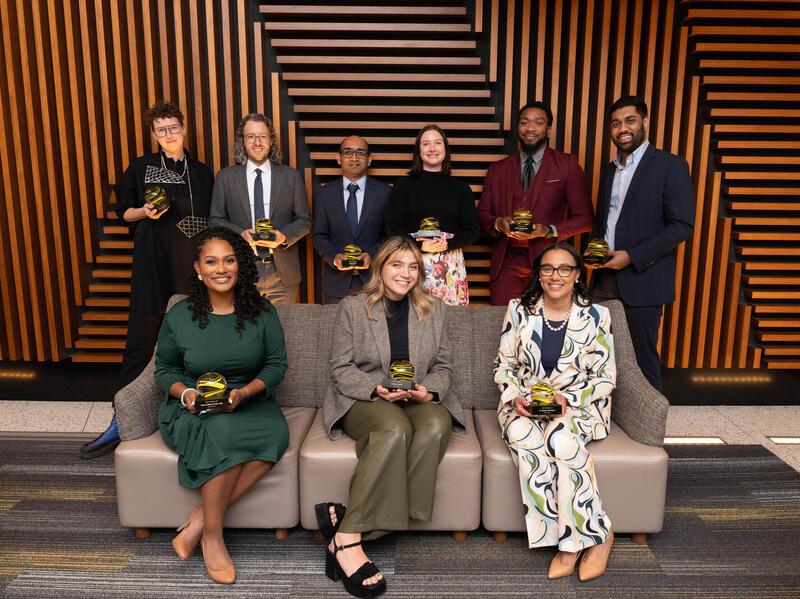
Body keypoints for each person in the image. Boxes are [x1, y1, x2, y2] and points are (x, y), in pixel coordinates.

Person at [318, 236, 465, 598]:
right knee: (395, 428)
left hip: (416, 396)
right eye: (397, 264)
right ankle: (348, 539)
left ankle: (352, 517)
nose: (406, 273)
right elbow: (340, 368)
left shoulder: (434, 308)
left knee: (436, 425)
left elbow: (444, 366)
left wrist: (428, 392)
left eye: (413, 266)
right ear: (380, 267)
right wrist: (377, 389)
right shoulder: (353, 307)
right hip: (365, 397)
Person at [154, 226, 289, 584]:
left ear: (240, 265)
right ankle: (213, 537)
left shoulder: (262, 311)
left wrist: (245, 393)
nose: (221, 269)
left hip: (248, 399)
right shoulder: (180, 315)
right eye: (211, 261)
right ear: (198, 268)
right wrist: (186, 394)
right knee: (223, 433)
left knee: (275, 436)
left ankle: (200, 519)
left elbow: (276, 365)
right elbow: (164, 369)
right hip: (192, 405)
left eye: (229, 260)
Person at [81, 101, 213, 459]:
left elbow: (212, 222)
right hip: (151, 269)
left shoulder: (201, 173)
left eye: (173, 127)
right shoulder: (140, 167)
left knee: (194, 347)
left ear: (184, 128)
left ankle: (196, 415)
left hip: (192, 272)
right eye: (161, 130)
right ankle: (120, 421)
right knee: (139, 347)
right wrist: (145, 211)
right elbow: (123, 213)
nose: (168, 134)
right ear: (153, 134)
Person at [494, 242, 616, 581]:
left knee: (561, 440)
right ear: (539, 274)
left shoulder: (597, 316)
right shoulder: (518, 309)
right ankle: (572, 534)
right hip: (525, 402)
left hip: (579, 404)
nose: (555, 276)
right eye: (547, 268)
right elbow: (504, 366)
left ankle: (581, 541)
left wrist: (569, 400)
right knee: (521, 434)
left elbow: (606, 378)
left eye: (565, 269)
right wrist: (514, 397)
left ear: (577, 275)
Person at [587, 95, 694, 390]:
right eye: (616, 123)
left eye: (630, 121)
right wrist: (593, 251)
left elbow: (682, 225)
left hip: (644, 278)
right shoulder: (610, 170)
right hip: (603, 277)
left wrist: (632, 256)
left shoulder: (671, 166)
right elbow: (604, 221)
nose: (622, 128)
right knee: (597, 353)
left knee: (642, 358)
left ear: (645, 122)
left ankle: (648, 420)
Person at [477, 102, 593, 307]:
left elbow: (585, 219)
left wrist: (549, 230)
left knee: (547, 323)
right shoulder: (497, 169)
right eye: (524, 122)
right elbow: (482, 214)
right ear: (517, 127)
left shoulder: (567, 165)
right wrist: (498, 223)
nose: (530, 128)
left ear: (548, 129)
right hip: (506, 265)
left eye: (538, 123)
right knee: (503, 321)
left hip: (550, 264)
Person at [210, 113, 311, 303]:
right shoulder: (225, 177)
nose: (257, 142)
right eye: (251, 136)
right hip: (241, 270)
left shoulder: (291, 176)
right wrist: (240, 234)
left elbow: (304, 221)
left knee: (283, 324)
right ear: (242, 141)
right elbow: (216, 221)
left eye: (263, 136)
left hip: (282, 274)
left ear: (271, 140)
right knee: (242, 323)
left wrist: (283, 237)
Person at [385, 124, 480, 305]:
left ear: (445, 149)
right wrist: (419, 246)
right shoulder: (402, 185)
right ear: (418, 150)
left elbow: (473, 231)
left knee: (450, 320)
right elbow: (392, 228)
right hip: (411, 262)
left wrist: (446, 244)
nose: (432, 148)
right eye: (426, 144)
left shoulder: (461, 188)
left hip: (450, 265)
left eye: (437, 143)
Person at [313, 135, 390, 304]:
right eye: (348, 152)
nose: (354, 158)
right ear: (338, 158)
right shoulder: (325, 194)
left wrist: (372, 255)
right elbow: (319, 236)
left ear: (369, 159)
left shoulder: (385, 193)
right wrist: (334, 257)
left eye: (360, 153)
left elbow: (390, 236)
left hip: (374, 282)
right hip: (336, 284)